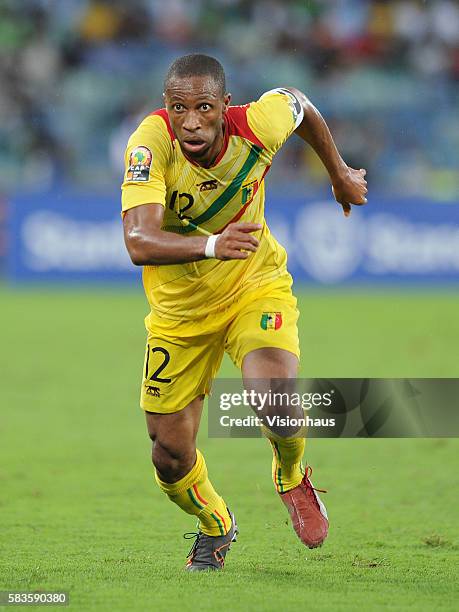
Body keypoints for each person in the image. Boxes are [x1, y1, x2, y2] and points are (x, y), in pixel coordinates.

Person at [121, 54, 367, 572]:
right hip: (179, 314)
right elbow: (138, 241)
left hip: (253, 284)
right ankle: (217, 526)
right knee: (168, 455)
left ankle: (291, 474)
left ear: (224, 106)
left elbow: (299, 104)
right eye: (178, 107)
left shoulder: (257, 124)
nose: (190, 121)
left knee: (273, 398)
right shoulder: (150, 144)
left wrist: (339, 172)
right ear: (165, 107)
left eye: (204, 107)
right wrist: (212, 245)